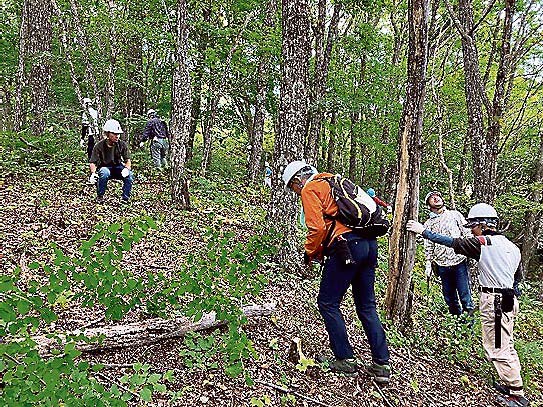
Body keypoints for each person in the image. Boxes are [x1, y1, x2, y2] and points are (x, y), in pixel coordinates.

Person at [407, 203, 529, 407]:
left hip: (496, 301)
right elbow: (518, 279)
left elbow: (453, 242)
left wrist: (424, 232)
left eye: (473, 226)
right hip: (507, 299)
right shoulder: (512, 247)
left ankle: (516, 394)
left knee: (498, 347)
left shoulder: (484, 242)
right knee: (506, 344)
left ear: (483, 225)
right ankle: (511, 386)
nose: (471, 230)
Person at [282, 160, 391, 383]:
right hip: (369, 245)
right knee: (367, 305)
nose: (295, 192)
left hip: (347, 247)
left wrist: (310, 253)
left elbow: (317, 227)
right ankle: (381, 364)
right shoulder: (335, 180)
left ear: (297, 180)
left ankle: (345, 359)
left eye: (293, 188)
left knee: (327, 302)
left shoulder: (311, 188)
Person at [422, 191, 474, 316]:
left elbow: (466, 233)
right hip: (442, 265)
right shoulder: (428, 224)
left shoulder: (455, 215)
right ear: (429, 204)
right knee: (450, 299)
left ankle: (468, 328)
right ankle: (456, 324)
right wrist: (428, 263)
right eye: (432, 198)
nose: (435, 198)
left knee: (465, 297)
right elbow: (429, 244)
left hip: (459, 262)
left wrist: (470, 251)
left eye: (437, 196)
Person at [88, 119, 134, 204]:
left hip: (118, 167)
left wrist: (127, 169)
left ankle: (125, 199)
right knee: (104, 173)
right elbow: (92, 162)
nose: (117, 136)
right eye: (114, 134)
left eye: (118, 134)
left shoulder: (122, 145)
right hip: (105, 167)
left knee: (130, 175)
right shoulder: (99, 146)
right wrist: (93, 173)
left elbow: (128, 160)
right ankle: (100, 196)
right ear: (108, 134)